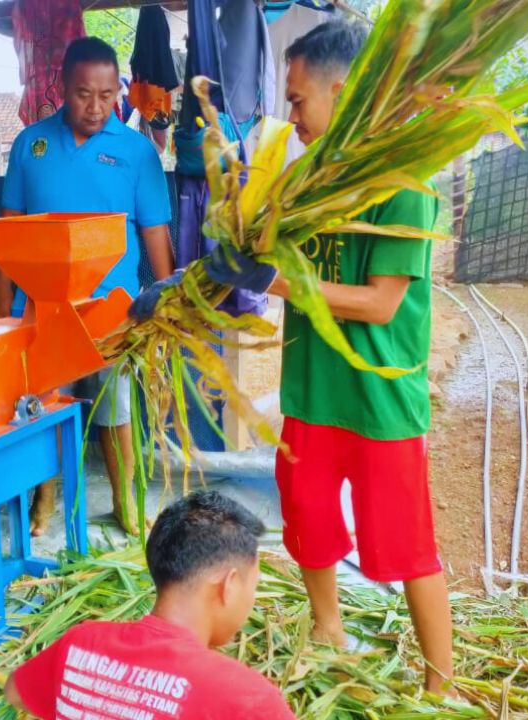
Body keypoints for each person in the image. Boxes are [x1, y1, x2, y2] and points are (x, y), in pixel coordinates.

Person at [134, 20, 454, 694]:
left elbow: (379, 305)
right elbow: (255, 259)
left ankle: (439, 684)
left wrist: (275, 281)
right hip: (310, 389)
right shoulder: (306, 177)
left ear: (344, 91)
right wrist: (178, 288)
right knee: (306, 514)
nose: (292, 115)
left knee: (406, 543)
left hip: (379, 401)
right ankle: (327, 626)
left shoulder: (405, 181)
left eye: (299, 100)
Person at [0, 37, 176, 537]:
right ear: (61, 88)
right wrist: (0, 315)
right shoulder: (31, 145)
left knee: (115, 412)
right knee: (43, 408)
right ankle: (43, 502)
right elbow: (8, 238)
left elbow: (155, 236)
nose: (95, 107)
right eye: (82, 94)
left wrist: (168, 303)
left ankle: (125, 503)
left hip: (112, 311)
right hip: (43, 309)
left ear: (119, 90)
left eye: (105, 94)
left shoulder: (137, 152)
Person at [3, 491, 297, 720]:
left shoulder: (81, 643)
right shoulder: (248, 698)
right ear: (229, 585)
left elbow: (15, 691)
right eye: (253, 586)